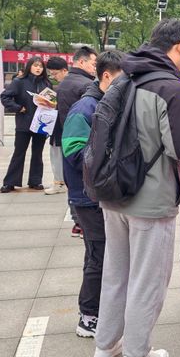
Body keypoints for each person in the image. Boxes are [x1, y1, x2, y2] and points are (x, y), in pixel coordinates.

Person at [92, 19, 180, 357]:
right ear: (179, 47)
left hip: (113, 193)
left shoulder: (125, 77)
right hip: (150, 199)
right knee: (147, 281)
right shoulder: (170, 87)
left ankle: (105, 347)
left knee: (116, 274)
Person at [62, 51, 124, 338]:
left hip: (101, 193)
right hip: (88, 197)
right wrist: (111, 156)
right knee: (98, 255)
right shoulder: (85, 108)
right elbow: (74, 153)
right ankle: (88, 316)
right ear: (106, 76)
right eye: (121, 80)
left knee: (103, 254)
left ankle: (99, 311)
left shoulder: (108, 104)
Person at [54, 48, 97, 238]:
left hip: (68, 136)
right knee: (83, 182)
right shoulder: (86, 86)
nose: (95, 68)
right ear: (81, 62)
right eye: (93, 64)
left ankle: (77, 222)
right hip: (82, 139)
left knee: (74, 183)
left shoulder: (65, 82)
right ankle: (81, 224)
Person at [0, 57, 52, 192]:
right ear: (29, 66)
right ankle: (10, 182)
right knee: (19, 153)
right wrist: (18, 108)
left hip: (40, 124)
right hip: (24, 123)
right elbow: (5, 97)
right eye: (35, 65)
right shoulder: (19, 82)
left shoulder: (46, 83)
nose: (38, 68)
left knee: (37, 153)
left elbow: (51, 102)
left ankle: (35, 181)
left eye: (40, 66)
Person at [45, 56, 70, 195]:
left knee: (58, 155)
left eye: (55, 74)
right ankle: (60, 181)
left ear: (64, 70)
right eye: (51, 74)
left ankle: (60, 182)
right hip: (59, 126)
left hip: (62, 127)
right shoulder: (64, 85)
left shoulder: (67, 86)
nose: (54, 77)